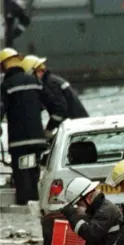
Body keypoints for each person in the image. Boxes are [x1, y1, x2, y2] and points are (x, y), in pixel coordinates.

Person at [0, 48, 66, 205]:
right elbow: (59, 109)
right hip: (38, 142)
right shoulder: (35, 82)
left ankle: (26, 211)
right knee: (36, 176)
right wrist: (49, 130)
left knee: (23, 180)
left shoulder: (6, 86)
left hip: (19, 144)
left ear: (3, 66)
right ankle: (39, 209)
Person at [60, 177, 122, 245]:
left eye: (79, 203)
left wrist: (72, 216)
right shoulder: (98, 208)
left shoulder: (106, 211)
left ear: (87, 197)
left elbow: (91, 233)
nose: (79, 207)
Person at [20, 55, 89, 122]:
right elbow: (43, 104)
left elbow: (59, 111)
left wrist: (49, 129)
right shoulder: (51, 81)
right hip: (78, 123)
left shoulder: (50, 85)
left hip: (74, 125)